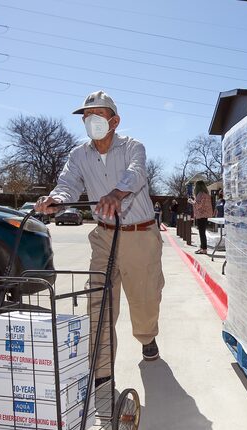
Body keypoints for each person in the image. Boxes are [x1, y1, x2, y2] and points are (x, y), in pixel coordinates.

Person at [35, 91, 164, 386]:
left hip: (139, 234)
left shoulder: (133, 147)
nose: (90, 120)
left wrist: (117, 193)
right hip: (104, 236)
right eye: (85, 116)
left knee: (144, 299)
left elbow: (137, 173)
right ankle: (102, 370)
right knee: (99, 299)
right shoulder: (79, 155)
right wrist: (56, 199)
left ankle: (146, 337)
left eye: (97, 115)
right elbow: (68, 184)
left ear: (115, 121)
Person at [189, 180, 212, 255]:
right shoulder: (206, 194)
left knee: (201, 232)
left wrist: (191, 201)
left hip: (201, 215)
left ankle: (204, 249)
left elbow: (198, 205)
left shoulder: (200, 194)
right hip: (206, 215)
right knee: (202, 232)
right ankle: (202, 247)